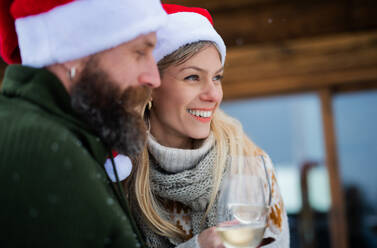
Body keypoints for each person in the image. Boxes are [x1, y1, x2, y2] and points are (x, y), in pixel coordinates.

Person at [0, 0, 167, 247]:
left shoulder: (69, 134)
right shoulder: (43, 149)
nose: (154, 78)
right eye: (140, 52)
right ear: (73, 50)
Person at [127, 4, 290, 248]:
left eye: (217, 77)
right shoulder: (119, 170)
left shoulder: (249, 165)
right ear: (151, 85)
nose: (213, 94)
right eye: (192, 77)